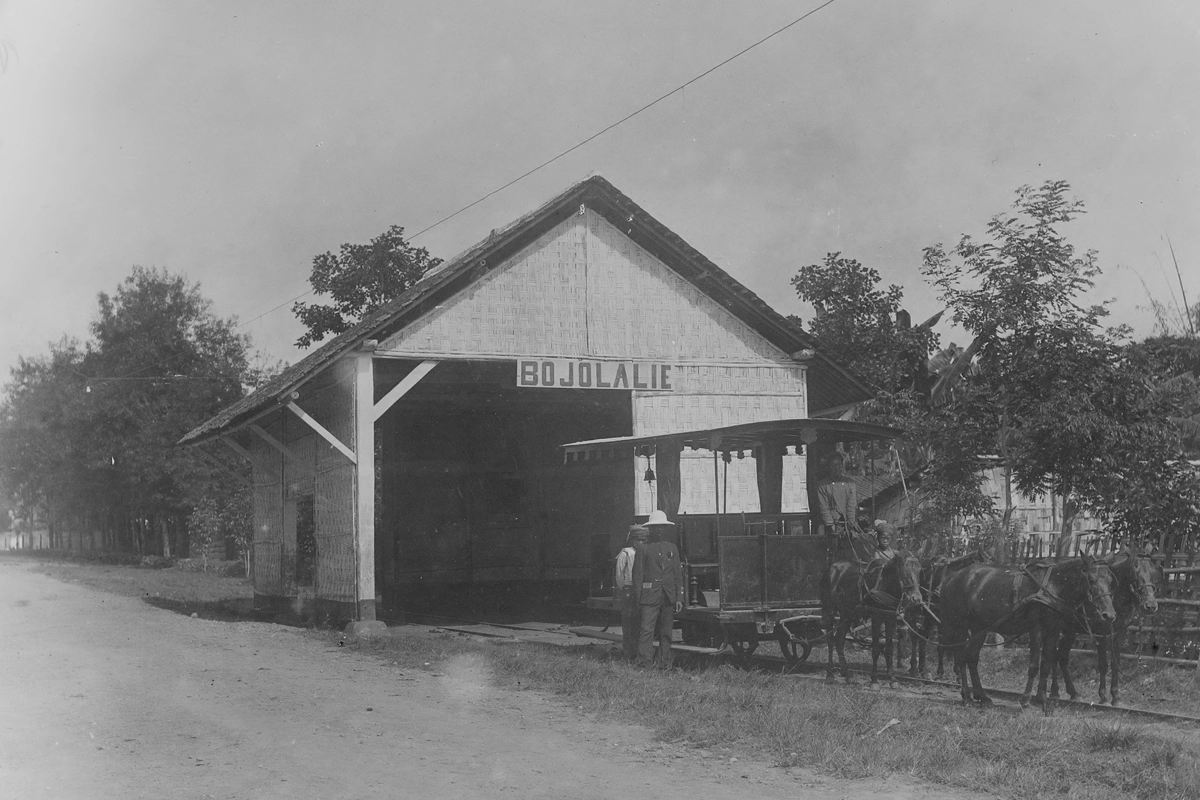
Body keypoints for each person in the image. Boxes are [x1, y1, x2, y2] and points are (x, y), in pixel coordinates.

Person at [631, 509, 684, 668]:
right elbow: (637, 575)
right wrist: (638, 598)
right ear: (650, 529)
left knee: (667, 632)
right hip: (649, 596)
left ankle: (664, 663)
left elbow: (677, 575)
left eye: (662, 527)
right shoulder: (643, 548)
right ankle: (644, 663)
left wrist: (679, 598)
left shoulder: (672, 548)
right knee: (647, 630)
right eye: (656, 527)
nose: (659, 530)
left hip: (668, 596)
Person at [816, 454, 870, 560]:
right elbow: (824, 508)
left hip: (846, 524)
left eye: (839, 465)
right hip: (830, 525)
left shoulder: (850, 484)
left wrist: (851, 523)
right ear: (829, 467)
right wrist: (831, 525)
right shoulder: (822, 485)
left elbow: (851, 505)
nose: (837, 468)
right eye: (834, 465)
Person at [614, 524, 648, 661]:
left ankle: (639, 654)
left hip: (641, 590)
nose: (640, 543)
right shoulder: (626, 553)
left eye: (643, 540)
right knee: (628, 624)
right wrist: (625, 589)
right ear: (633, 540)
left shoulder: (646, 552)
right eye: (638, 540)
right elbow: (619, 575)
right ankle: (628, 654)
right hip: (628, 590)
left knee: (640, 624)